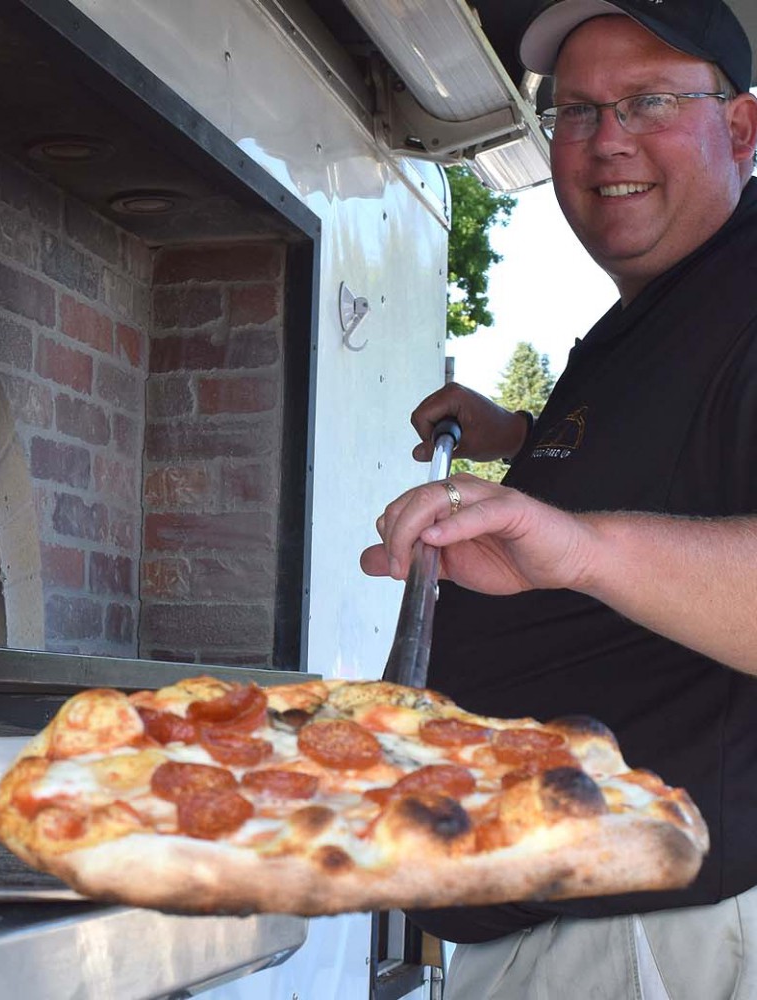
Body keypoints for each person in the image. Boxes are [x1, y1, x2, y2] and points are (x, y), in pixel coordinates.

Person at [361, 1, 757, 997]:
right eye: (574, 113)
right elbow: (683, 467)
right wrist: (523, 438)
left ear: (741, 128)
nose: (604, 139)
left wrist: (575, 544)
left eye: (646, 100)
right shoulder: (660, 308)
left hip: (650, 940)